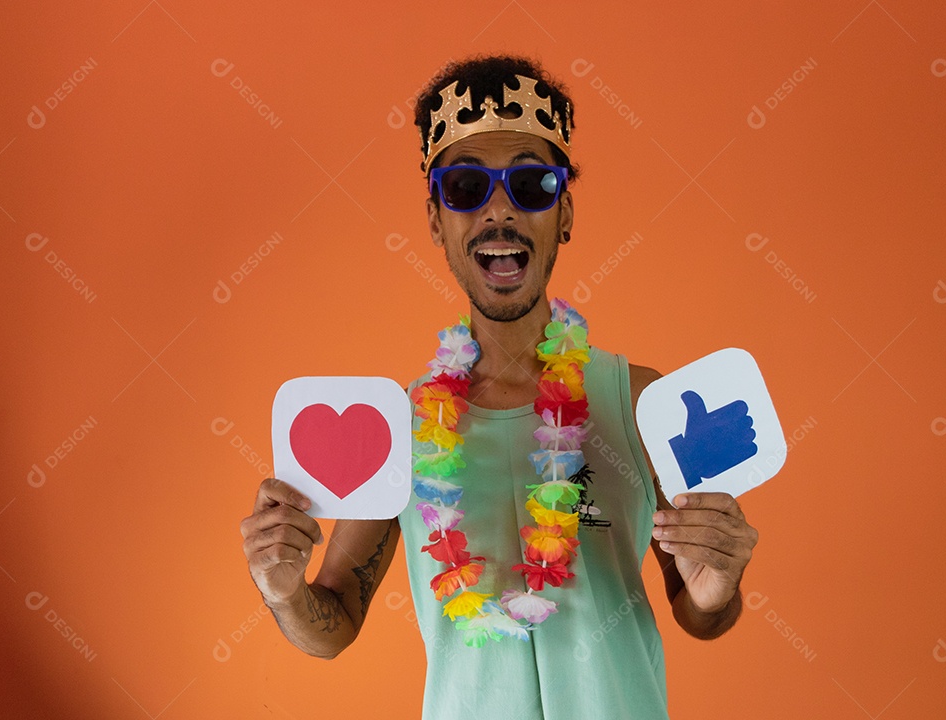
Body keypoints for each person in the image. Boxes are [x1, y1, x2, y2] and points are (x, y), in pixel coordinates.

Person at [240, 54, 759, 719]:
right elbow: (333, 621)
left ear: (564, 212)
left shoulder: (637, 401)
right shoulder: (396, 427)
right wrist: (283, 591)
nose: (499, 211)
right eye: (464, 187)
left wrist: (718, 587)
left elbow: (700, 615)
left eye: (531, 184)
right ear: (436, 222)